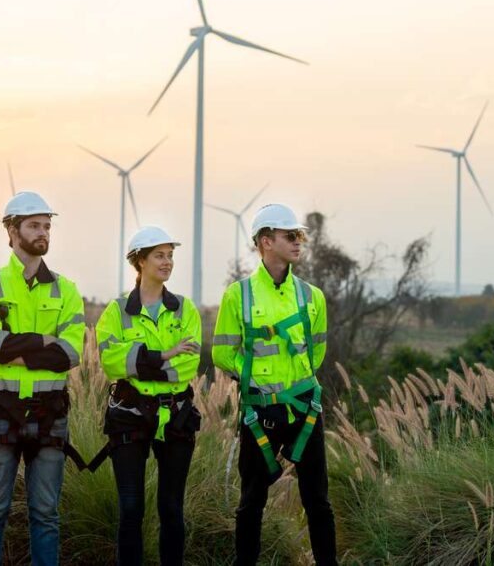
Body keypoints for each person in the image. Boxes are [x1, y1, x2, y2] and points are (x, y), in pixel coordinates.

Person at [212, 203, 337, 566]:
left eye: (299, 235)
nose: (299, 241)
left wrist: (291, 382)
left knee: (318, 501)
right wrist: (257, 380)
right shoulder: (239, 295)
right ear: (266, 241)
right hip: (259, 411)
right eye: (290, 235)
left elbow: (317, 351)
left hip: (305, 411)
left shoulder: (312, 296)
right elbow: (223, 353)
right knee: (251, 501)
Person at [0, 191, 87, 566]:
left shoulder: (67, 290)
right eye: (34, 225)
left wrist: (20, 348)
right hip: (2, 410)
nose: (43, 233)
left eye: (47, 226)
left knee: (46, 515)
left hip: (51, 412)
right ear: (11, 230)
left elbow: (69, 354)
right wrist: (44, 343)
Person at [94, 225, 202, 566]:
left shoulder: (186, 310)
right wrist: (163, 355)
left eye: (170, 255)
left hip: (177, 416)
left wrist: (140, 362)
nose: (167, 262)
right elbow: (111, 361)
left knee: (171, 508)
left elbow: (188, 367)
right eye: (159, 255)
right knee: (130, 508)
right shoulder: (115, 312)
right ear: (139, 261)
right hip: (129, 416)